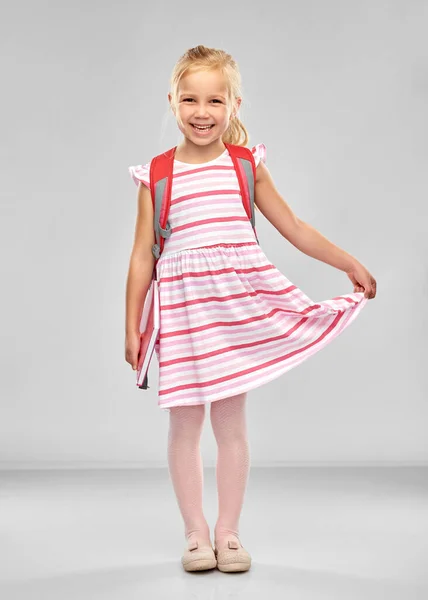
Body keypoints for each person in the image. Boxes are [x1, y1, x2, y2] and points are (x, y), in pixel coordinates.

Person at [125, 45, 377, 573]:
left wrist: (346, 261)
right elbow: (140, 257)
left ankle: (229, 533)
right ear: (171, 100)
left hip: (234, 313)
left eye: (215, 99)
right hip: (185, 317)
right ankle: (196, 534)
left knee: (232, 423)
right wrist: (131, 326)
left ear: (235, 104)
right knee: (185, 425)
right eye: (190, 98)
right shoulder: (157, 175)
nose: (202, 111)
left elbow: (295, 227)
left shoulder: (245, 165)